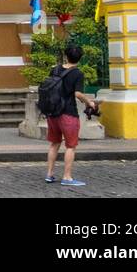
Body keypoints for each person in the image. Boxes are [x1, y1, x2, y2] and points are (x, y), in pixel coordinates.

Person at [43, 43, 99, 187]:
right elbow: (78, 93)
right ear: (80, 58)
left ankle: (49, 174)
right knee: (70, 146)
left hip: (53, 112)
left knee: (54, 143)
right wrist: (89, 103)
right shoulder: (78, 73)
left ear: (65, 55)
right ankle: (67, 177)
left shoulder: (54, 70)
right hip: (68, 113)